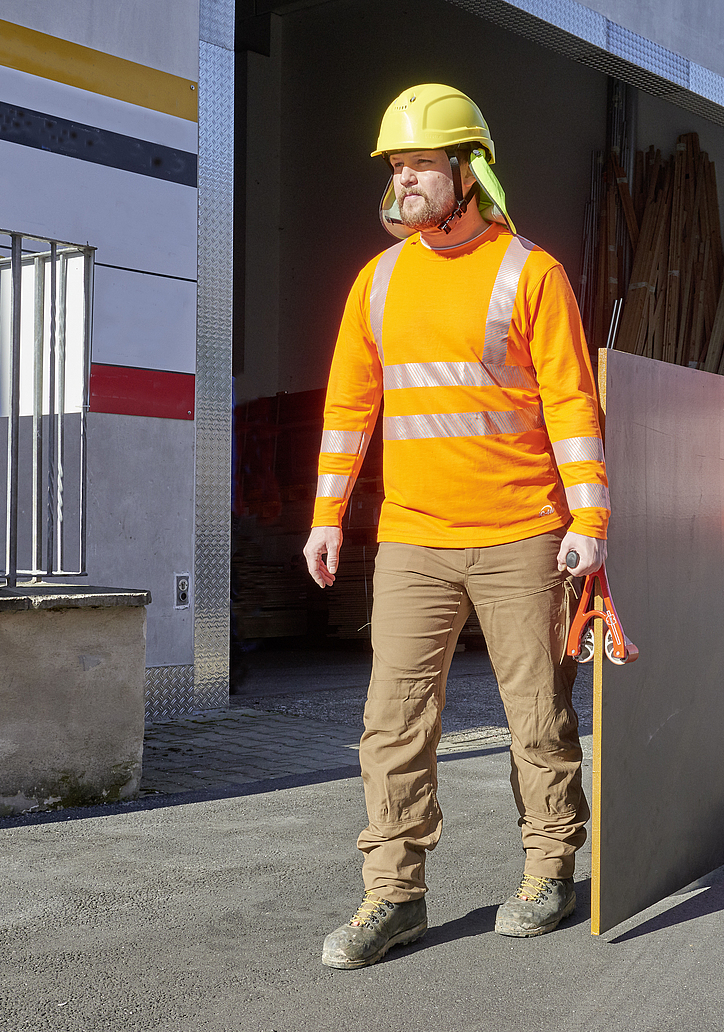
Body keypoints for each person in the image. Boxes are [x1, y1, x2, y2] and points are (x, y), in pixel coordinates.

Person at [302, 84, 609, 969]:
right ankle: (393, 895)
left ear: (469, 172)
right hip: (411, 539)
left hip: (523, 533)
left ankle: (549, 869)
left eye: (420, 165)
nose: (403, 181)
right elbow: (348, 410)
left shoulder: (530, 272)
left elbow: (572, 407)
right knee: (391, 721)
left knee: (538, 715)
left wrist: (589, 517)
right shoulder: (381, 280)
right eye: (395, 166)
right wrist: (328, 518)